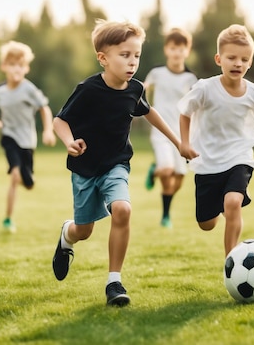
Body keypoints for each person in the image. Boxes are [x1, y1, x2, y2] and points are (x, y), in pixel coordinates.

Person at [51, 20, 182, 307]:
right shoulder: (88, 89)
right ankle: (66, 235)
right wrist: (69, 141)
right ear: (103, 58)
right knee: (83, 231)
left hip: (116, 165)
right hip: (85, 170)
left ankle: (114, 282)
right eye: (125, 55)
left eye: (136, 55)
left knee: (122, 210)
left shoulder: (135, 89)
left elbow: (150, 113)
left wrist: (178, 142)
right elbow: (59, 120)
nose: (132, 61)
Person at [178, 24, 254, 257]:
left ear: (250, 62)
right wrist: (184, 143)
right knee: (206, 223)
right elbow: (185, 111)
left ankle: (231, 260)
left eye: (244, 59)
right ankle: (221, 209)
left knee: (233, 202)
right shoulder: (205, 88)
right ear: (219, 59)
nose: (238, 63)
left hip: (239, 158)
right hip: (207, 161)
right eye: (232, 57)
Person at [0, 41, 56, 233]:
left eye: (20, 65)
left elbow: (44, 108)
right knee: (14, 176)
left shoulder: (29, 89)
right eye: (12, 64)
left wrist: (48, 130)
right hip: (9, 136)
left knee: (28, 183)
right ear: (4, 67)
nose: (16, 68)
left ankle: (27, 179)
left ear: (26, 68)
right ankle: (8, 219)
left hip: (27, 141)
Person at [143, 28, 198, 228]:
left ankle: (154, 171)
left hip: (183, 134)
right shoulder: (157, 73)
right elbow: (144, 87)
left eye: (181, 49)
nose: (177, 52)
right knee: (166, 171)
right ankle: (165, 215)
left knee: (179, 179)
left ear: (187, 51)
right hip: (160, 131)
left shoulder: (191, 80)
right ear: (167, 50)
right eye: (173, 48)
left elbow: (197, 105)